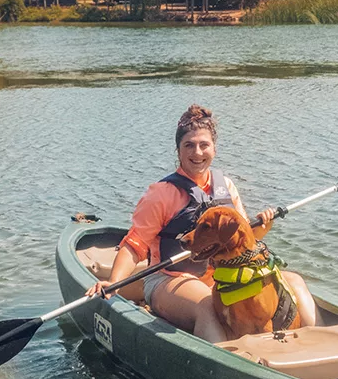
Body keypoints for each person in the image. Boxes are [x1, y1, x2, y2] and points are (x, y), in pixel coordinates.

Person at [86, 104, 320, 343]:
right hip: (170, 278)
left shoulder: (225, 186)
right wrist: (114, 283)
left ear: (214, 149)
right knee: (208, 305)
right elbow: (134, 245)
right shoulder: (161, 194)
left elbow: (245, 239)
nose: (197, 153)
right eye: (189, 145)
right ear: (178, 150)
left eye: (203, 145)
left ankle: (318, 343)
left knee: (293, 282)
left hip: (224, 275)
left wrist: (264, 225)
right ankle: (227, 369)